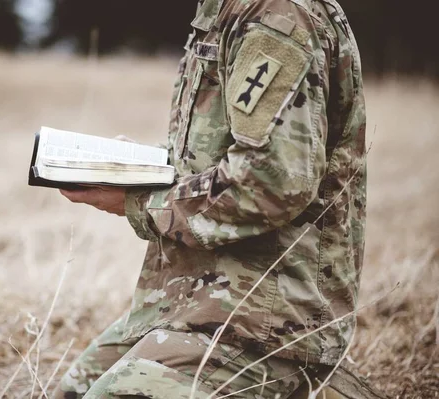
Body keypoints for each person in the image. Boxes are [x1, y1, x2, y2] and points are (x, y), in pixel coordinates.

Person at [55, 0, 382, 397]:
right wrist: (140, 167)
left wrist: (140, 202)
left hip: (264, 323)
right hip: (196, 301)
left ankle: (312, 384)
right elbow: (218, 153)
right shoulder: (223, 10)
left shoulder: (275, 17)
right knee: (73, 390)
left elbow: (270, 183)